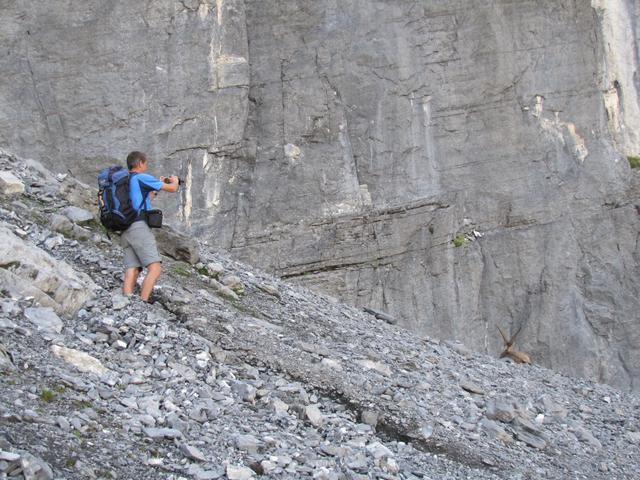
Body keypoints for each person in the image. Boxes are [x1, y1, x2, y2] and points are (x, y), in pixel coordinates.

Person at [121, 151, 179, 302]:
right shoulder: (142, 177)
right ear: (140, 162)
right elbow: (172, 188)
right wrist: (175, 181)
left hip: (125, 228)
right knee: (155, 267)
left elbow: (144, 200)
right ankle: (143, 301)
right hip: (139, 227)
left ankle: (127, 301)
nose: (146, 166)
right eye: (145, 163)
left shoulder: (124, 180)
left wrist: (155, 188)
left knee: (132, 268)